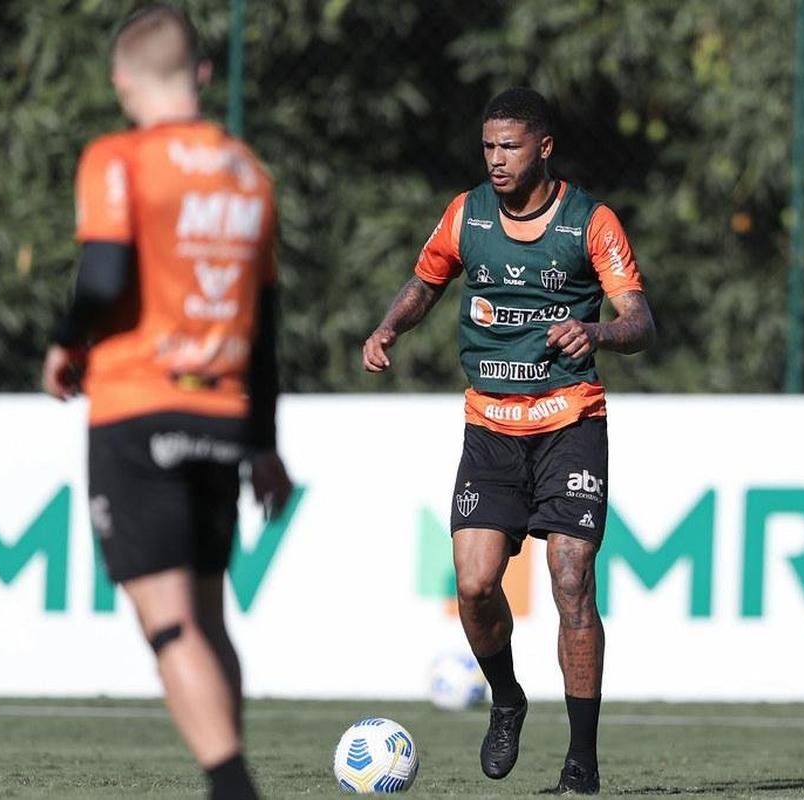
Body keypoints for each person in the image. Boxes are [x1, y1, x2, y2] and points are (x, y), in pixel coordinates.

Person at [363, 87, 655, 795]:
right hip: (490, 427)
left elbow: (640, 320)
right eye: (488, 146)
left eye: (510, 146)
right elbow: (426, 280)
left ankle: (580, 765)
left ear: (543, 147)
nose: (495, 160)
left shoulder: (591, 222)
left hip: (569, 424)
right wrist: (389, 326)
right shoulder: (467, 214)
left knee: (570, 580)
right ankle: (506, 698)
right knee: (472, 584)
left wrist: (598, 332)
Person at [41, 5, 291, 799]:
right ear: (204, 76)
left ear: (122, 82)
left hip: (137, 409)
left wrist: (66, 343)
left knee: (169, 622)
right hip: (221, 418)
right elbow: (267, 332)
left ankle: (230, 785)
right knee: (211, 619)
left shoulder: (118, 158)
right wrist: (262, 444)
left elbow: (105, 276)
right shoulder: (251, 175)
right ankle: (232, 779)